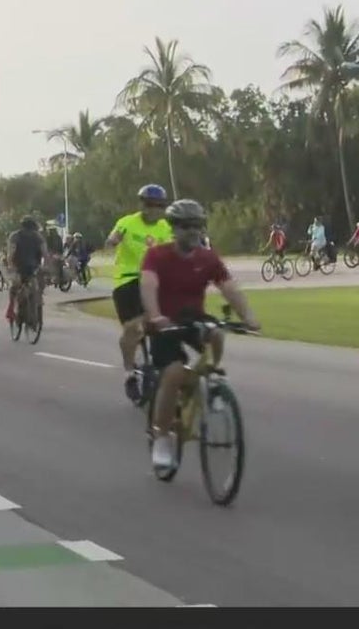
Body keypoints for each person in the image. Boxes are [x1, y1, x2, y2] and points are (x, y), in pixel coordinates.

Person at [140, 200, 260, 470]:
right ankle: (161, 437)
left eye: (197, 225)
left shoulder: (208, 258)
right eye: (186, 226)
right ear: (173, 228)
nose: (193, 231)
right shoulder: (157, 255)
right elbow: (148, 285)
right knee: (173, 373)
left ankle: (210, 379)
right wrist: (155, 316)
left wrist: (248, 317)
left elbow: (229, 288)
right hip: (164, 322)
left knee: (216, 334)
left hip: (192, 317)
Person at [107, 184, 173, 398]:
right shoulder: (127, 222)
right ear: (141, 204)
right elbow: (113, 237)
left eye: (158, 206)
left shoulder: (166, 228)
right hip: (129, 280)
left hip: (155, 280)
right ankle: (129, 373)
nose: (153, 210)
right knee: (133, 329)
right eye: (149, 204)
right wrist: (114, 240)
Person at [5, 216, 47, 322]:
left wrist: (11, 266)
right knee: (38, 288)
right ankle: (37, 305)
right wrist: (45, 266)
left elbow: (11, 253)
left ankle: (11, 308)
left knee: (14, 288)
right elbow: (45, 254)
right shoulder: (38, 237)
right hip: (34, 268)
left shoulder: (15, 236)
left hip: (19, 267)